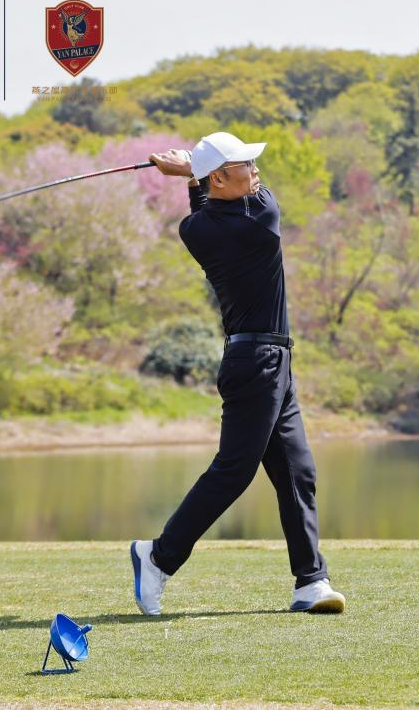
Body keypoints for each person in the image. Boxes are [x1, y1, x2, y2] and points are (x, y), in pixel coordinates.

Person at [129, 131, 345, 615]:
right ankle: (157, 558)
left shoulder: (195, 230)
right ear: (222, 179)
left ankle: (311, 582)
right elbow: (222, 198)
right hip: (257, 365)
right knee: (234, 471)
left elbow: (204, 208)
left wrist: (192, 175)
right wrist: (191, 170)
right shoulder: (260, 214)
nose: (256, 171)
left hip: (270, 363)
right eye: (245, 165)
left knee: (298, 471)